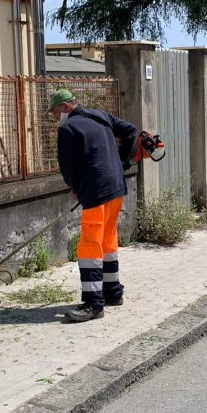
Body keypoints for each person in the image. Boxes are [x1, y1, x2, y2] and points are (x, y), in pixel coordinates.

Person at [52, 89, 139, 322]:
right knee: (108, 240)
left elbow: (67, 167)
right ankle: (113, 293)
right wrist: (121, 160)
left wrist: (75, 187)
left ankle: (93, 304)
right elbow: (131, 131)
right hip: (116, 185)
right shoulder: (101, 116)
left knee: (90, 245)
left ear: (64, 107)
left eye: (54, 112)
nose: (55, 118)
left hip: (96, 190)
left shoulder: (67, 129)